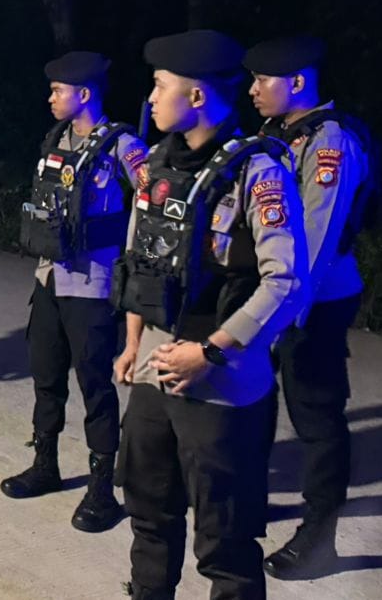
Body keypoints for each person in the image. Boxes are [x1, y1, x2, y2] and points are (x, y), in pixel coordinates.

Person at [112, 30, 307, 600]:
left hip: (223, 380)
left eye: (160, 85)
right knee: (149, 513)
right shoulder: (155, 165)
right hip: (155, 370)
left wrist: (211, 351)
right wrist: (132, 343)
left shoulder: (258, 172)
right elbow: (138, 259)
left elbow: (285, 281)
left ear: (196, 96)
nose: (150, 97)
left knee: (225, 541)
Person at [245, 36, 373, 576]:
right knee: (253, 400)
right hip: (271, 294)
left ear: (297, 82)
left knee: (316, 416)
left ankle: (321, 535)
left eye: (263, 80)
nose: (252, 90)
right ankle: (249, 504)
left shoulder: (330, 144)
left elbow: (316, 241)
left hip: (314, 300)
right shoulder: (276, 134)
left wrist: (283, 315)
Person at [4, 51, 147, 533]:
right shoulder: (56, 139)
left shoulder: (123, 144)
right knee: (46, 375)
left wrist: (134, 257)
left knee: (95, 386)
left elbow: (152, 200)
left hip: (91, 284)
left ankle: (102, 489)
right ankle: (45, 465)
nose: (50, 98)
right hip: (48, 277)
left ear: (84, 94)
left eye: (57, 90)